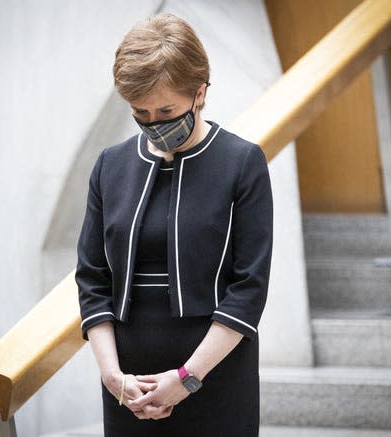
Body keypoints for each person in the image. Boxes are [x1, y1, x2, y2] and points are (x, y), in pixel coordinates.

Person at [75, 12, 273, 437]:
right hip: (129, 385)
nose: (154, 123)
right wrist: (113, 378)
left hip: (214, 378)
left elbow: (248, 289)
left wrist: (186, 379)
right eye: (140, 112)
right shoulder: (110, 166)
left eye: (167, 110)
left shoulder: (242, 164)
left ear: (200, 93)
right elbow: (92, 280)